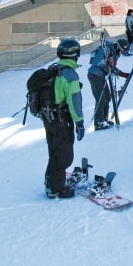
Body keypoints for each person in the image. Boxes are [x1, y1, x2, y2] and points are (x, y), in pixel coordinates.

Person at [43, 39, 85, 198]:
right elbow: (74, 102)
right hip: (61, 118)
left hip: (49, 117)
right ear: (75, 55)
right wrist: (79, 122)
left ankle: (50, 183)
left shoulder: (56, 69)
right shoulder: (70, 74)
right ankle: (56, 189)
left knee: (54, 151)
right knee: (64, 155)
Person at [86, 38, 130, 130]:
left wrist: (123, 74)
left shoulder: (114, 54)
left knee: (108, 97)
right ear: (118, 47)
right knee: (101, 98)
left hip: (101, 76)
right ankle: (98, 122)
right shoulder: (106, 49)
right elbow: (96, 62)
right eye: (121, 51)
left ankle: (104, 119)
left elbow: (112, 69)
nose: (121, 53)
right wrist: (107, 62)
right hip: (95, 75)